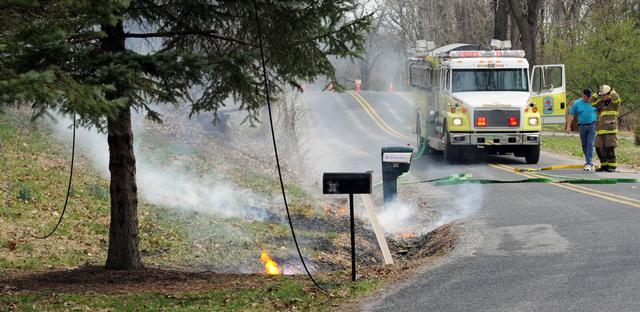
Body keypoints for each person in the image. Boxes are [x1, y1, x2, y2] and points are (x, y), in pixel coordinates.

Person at [590, 85, 621, 172]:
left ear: (608, 94)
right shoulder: (601, 103)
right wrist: (597, 94)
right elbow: (591, 102)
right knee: (598, 148)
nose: (602, 96)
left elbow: (617, 98)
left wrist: (612, 91)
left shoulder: (614, 103)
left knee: (609, 148)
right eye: (601, 95)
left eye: (604, 95)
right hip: (600, 130)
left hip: (610, 130)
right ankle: (604, 166)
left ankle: (612, 166)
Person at [566, 89, 598, 171]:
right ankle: (589, 162)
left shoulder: (594, 102)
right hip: (582, 126)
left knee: (590, 144)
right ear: (582, 95)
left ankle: (589, 163)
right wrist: (568, 126)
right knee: (584, 145)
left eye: (587, 97)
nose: (586, 98)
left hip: (592, 125)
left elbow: (600, 112)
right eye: (584, 96)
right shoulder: (577, 103)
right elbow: (571, 115)